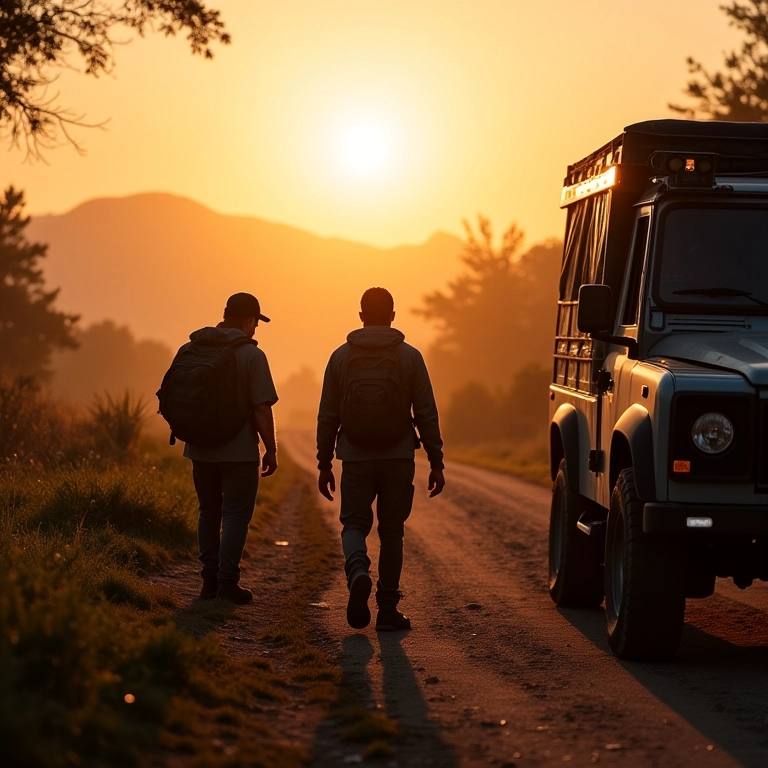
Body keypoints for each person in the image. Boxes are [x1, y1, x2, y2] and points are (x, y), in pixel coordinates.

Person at [316, 287, 445, 631]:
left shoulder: (341, 357)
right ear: (392, 315)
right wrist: (436, 461)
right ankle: (387, 611)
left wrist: (324, 463)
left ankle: (358, 570)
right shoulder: (410, 357)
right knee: (392, 533)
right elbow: (427, 413)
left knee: (354, 525)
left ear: (361, 316)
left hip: (355, 457)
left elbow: (328, 415)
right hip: (398, 456)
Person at [176, 292, 278, 604]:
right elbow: (261, 408)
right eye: (256, 323)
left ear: (224, 315)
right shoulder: (252, 355)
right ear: (249, 320)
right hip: (238, 452)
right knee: (235, 515)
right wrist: (270, 449)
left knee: (208, 511)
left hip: (199, 448)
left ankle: (208, 582)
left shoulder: (190, 347)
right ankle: (227, 582)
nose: (255, 330)